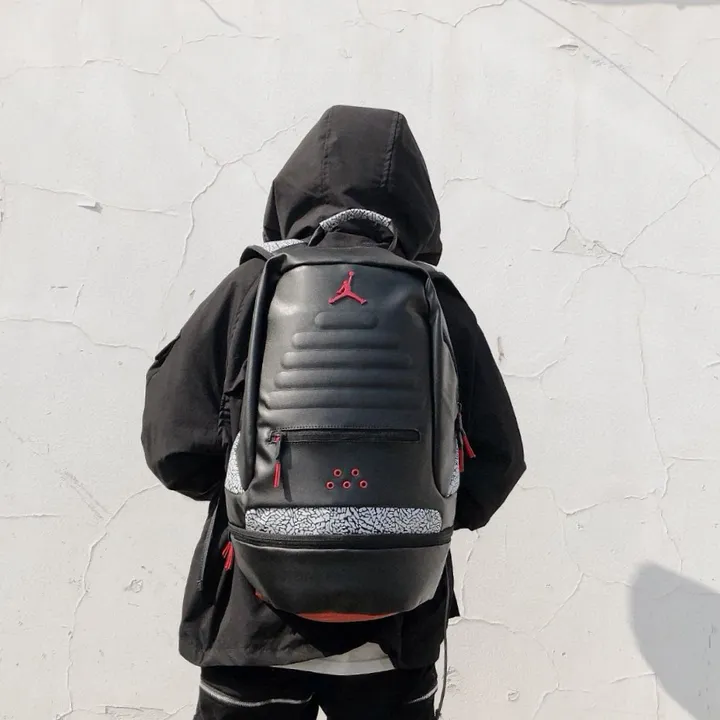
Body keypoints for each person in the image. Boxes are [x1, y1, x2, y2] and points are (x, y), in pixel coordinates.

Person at [141, 105, 525, 720]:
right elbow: (498, 459)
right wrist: (409, 515)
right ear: (417, 201)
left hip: (255, 621)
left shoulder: (253, 286)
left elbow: (172, 442)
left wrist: (252, 496)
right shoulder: (435, 298)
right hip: (396, 629)